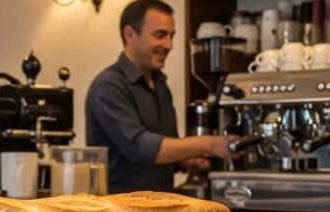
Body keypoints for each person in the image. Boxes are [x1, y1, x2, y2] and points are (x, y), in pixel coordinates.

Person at [85, 0, 234, 193]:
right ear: (129, 34)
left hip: (159, 208)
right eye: (160, 35)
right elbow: (140, 148)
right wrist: (211, 144)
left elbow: (164, 150)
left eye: (171, 36)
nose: (169, 45)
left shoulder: (161, 85)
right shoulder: (107, 86)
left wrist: (185, 161)